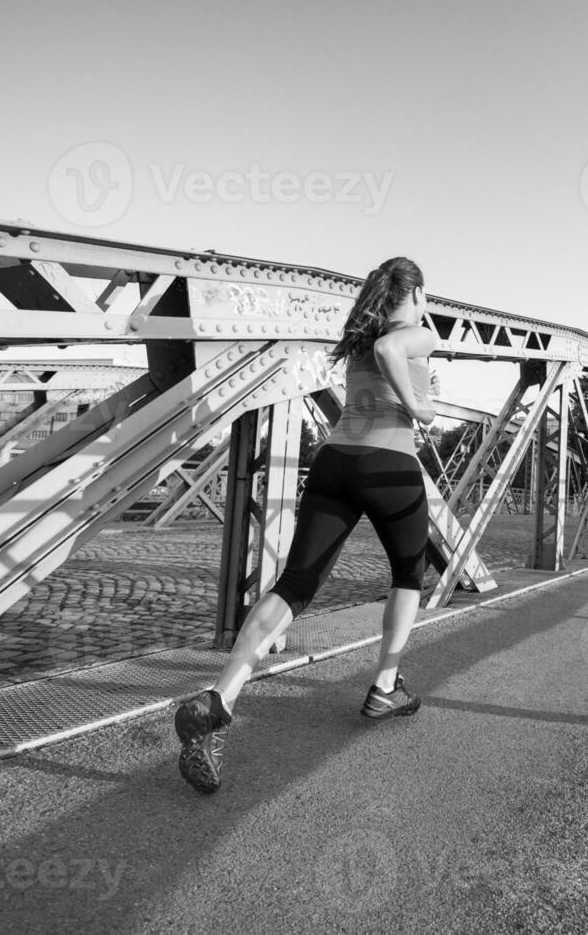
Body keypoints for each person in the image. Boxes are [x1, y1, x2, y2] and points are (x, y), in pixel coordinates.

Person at [174, 256, 438, 795]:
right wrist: (422, 408)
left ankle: (220, 696)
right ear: (412, 296)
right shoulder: (414, 333)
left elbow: (379, 359)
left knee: (296, 584)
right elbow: (397, 354)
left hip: (334, 461)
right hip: (388, 465)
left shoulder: (360, 336)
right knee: (410, 574)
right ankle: (385, 686)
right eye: (424, 296)